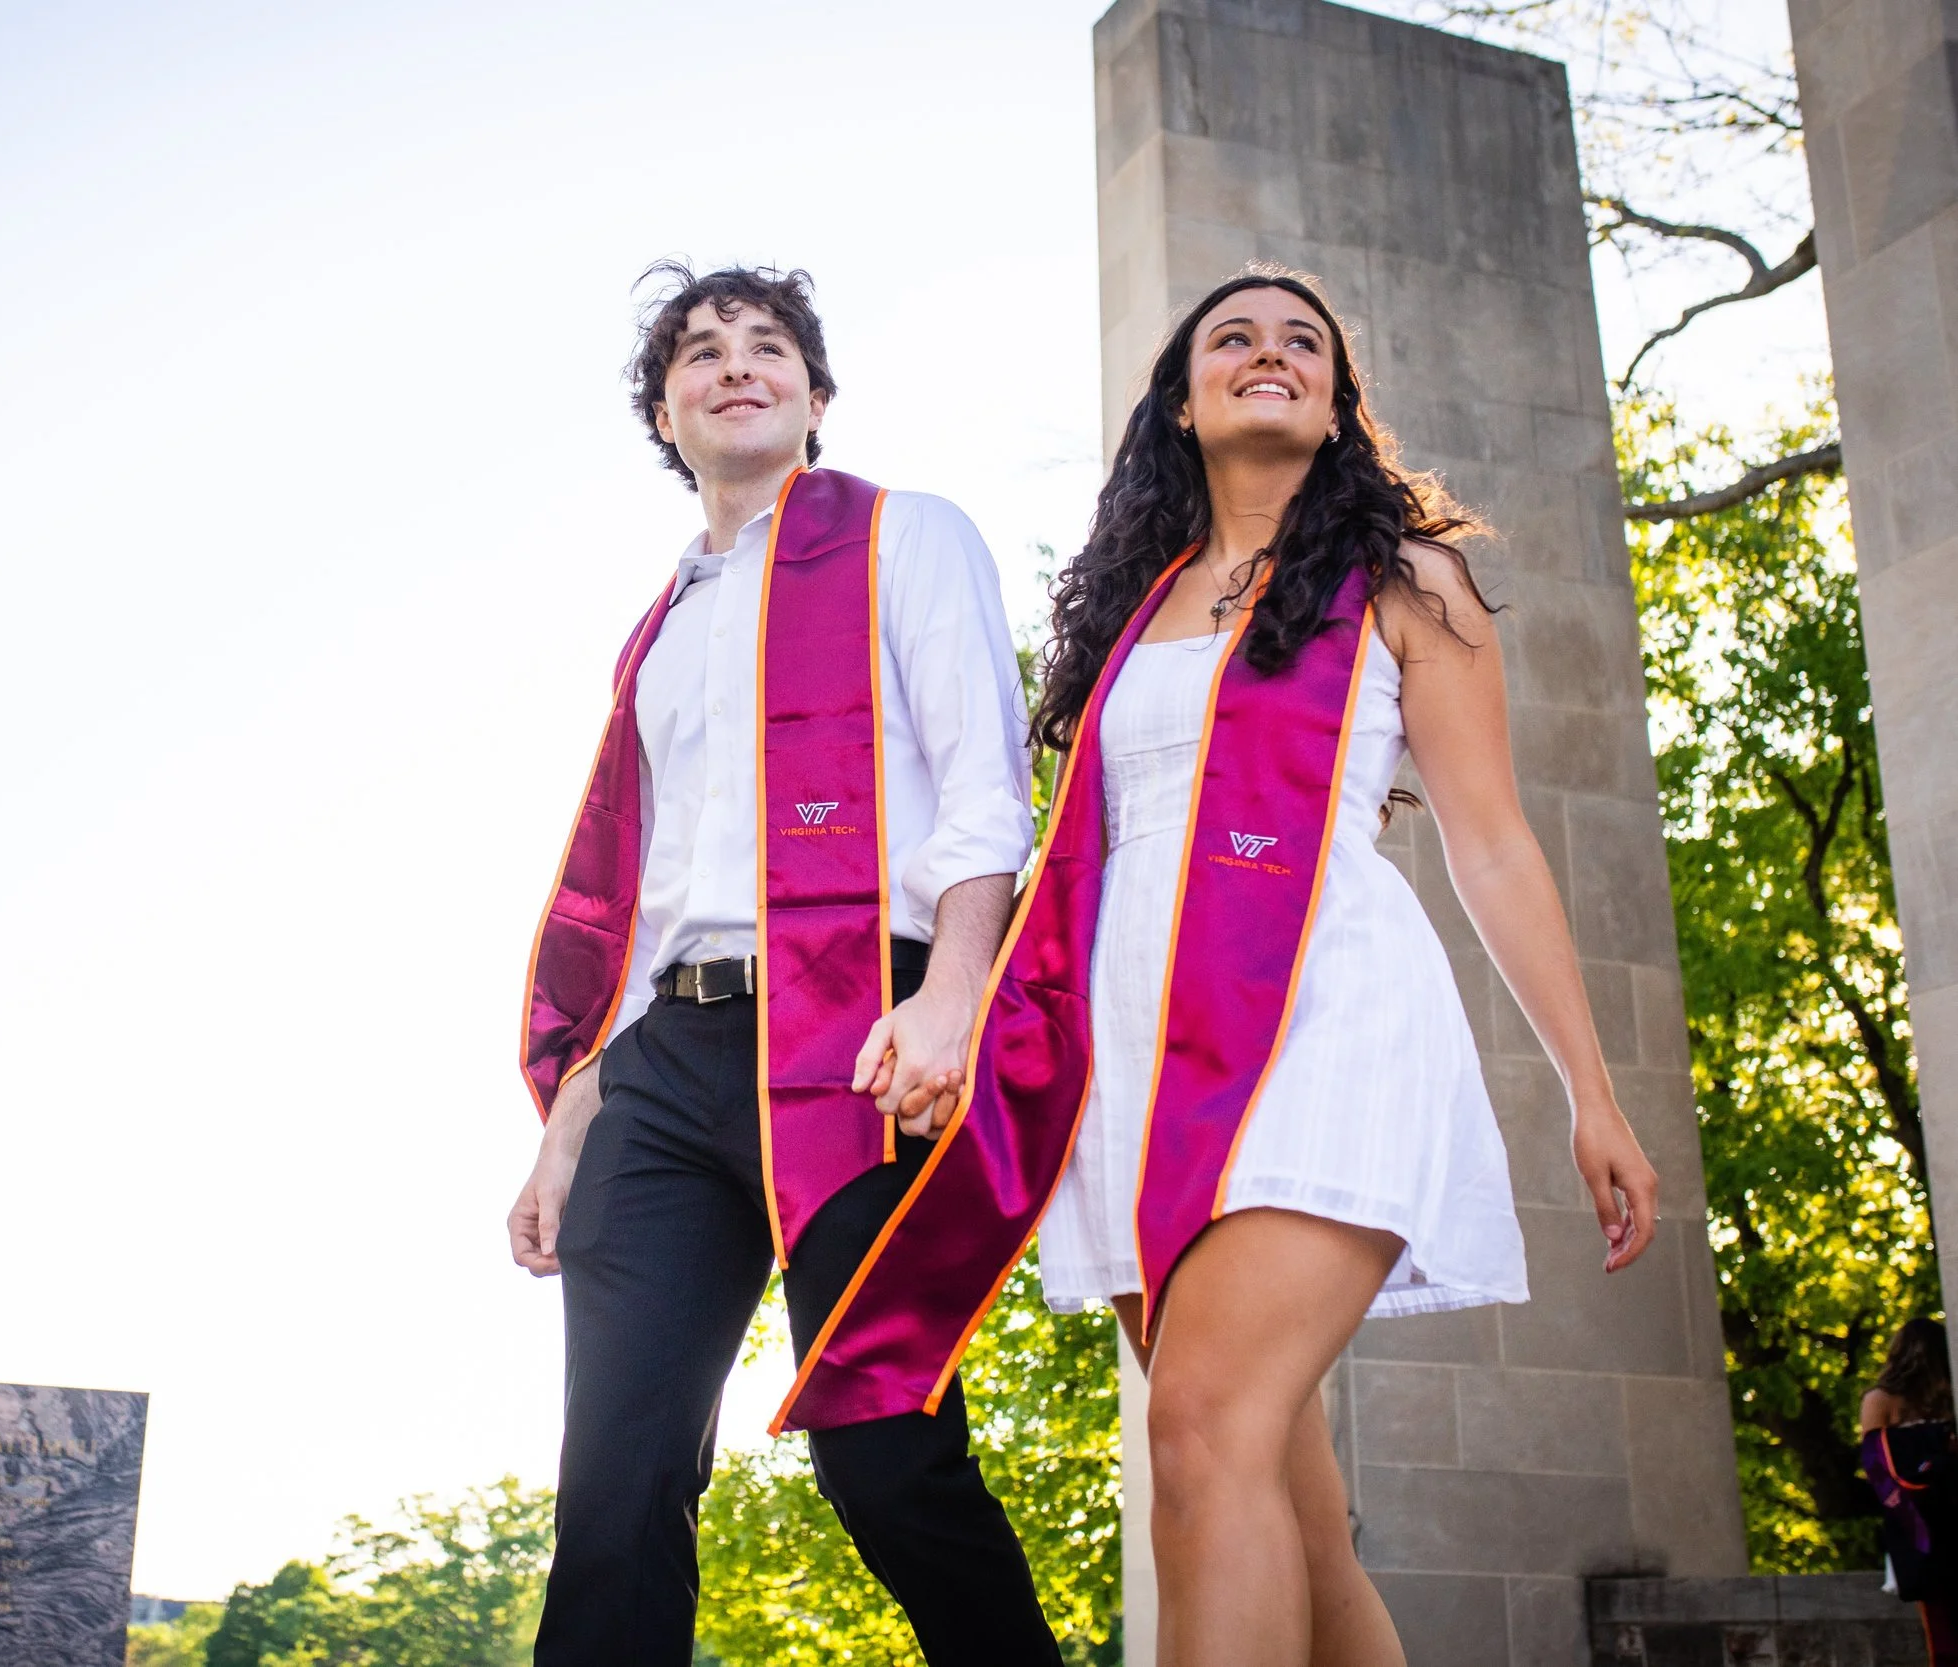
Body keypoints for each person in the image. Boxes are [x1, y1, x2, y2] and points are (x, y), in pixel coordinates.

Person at [966, 265, 1661, 1666]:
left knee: (1201, 1426)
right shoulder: (1126, 607)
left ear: (1341, 400)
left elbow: (1496, 845)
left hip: (1323, 1014)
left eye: (1305, 342)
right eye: (1234, 337)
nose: (1269, 353)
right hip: (1138, 1052)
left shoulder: (1407, 579)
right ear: (1182, 395)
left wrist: (1593, 1086)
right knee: (1282, 1484)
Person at [508, 262, 1061, 1666]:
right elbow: (643, 896)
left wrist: (953, 994)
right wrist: (572, 1120)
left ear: (817, 393)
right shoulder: (662, 629)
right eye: (701, 352)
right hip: (666, 1065)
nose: (736, 365)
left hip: (859, 1029)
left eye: (769, 346)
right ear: (665, 410)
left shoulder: (904, 538)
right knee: (615, 1487)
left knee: (886, 1461)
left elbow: (983, 785)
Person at [1859, 1316, 1958, 1659]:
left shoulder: (1879, 1401)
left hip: (1918, 1521)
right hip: (1927, 1517)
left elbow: (1874, 1466)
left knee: (1940, 1628)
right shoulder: (1937, 1400)